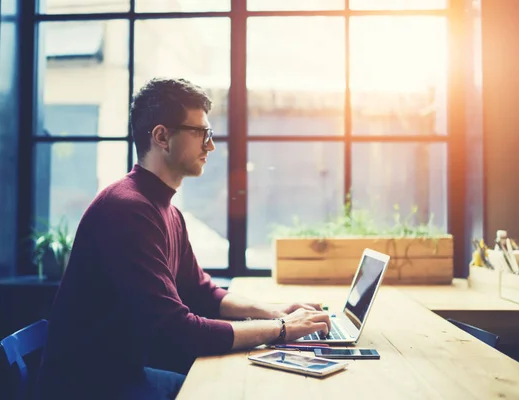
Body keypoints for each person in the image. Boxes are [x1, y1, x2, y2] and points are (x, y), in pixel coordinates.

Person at [36, 78, 331, 400]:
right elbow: (175, 332)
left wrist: (277, 311)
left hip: (122, 375)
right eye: (201, 133)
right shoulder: (128, 209)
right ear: (162, 136)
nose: (211, 146)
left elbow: (200, 291)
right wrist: (284, 330)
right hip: (93, 387)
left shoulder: (164, 209)